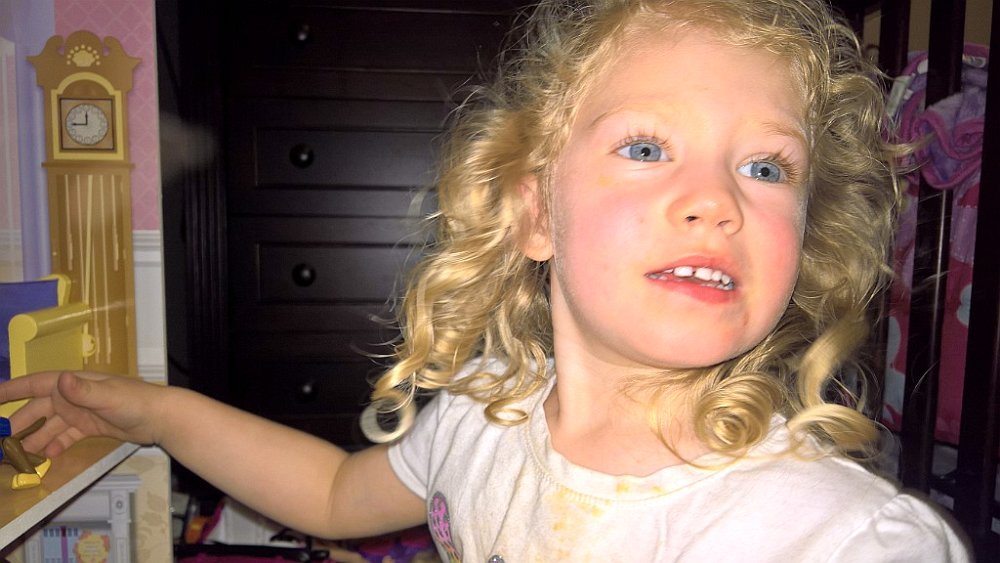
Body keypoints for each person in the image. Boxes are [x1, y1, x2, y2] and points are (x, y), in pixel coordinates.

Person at [0, 0, 971, 560]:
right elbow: (335, 492)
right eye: (646, 147)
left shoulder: (837, 536)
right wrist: (154, 412)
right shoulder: (484, 414)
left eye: (765, 166)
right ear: (535, 215)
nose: (716, 199)